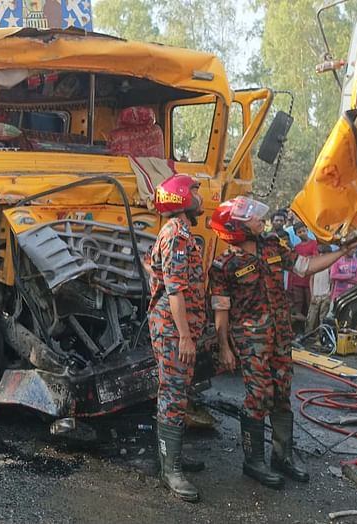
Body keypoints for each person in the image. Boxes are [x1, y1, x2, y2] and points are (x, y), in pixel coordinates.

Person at [209, 196, 357, 489]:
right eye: (251, 219)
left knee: (282, 395)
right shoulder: (224, 265)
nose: (259, 221)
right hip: (251, 341)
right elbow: (221, 310)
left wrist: (342, 251)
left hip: (280, 336)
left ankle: (283, 457)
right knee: (259, 397)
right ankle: (253, 461)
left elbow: (305, 266)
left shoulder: (272, 245)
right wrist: (224, 347)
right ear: (236, 228)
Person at [146, 175, 205, 503]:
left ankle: (173, 457)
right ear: (180, 196)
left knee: (178, 393)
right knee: (172, 394)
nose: (199, 197)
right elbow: (175, 290)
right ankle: (171, 470)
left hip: (178, 328)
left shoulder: (182, 234)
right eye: (194, 191)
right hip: (172, 330)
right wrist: (184, 336)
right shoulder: (176, 236)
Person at [288, 223, 318, 327]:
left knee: (311, 304)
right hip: (297, 280)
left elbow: (315, 259)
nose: (302, 233)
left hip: (310, 279)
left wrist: (305, 260)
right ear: (296, 234)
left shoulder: (314, 243)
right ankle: (298, 329)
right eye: (299, 232)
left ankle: (310, 327)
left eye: (303, 231)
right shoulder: (296, 247)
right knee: (298, 304)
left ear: (307, 230)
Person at [306, 244, 333, 336]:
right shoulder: (316, 266)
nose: (322, 255)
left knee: (323, 317)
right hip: (316, 294)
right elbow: (311, 279)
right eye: (321, 253)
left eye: (324, 253)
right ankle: (308, 334)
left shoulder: (330, 266)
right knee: (311, 317)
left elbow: (332, 281)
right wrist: (312, 294)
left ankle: (321, 335)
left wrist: (330, 293)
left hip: (325, 295)